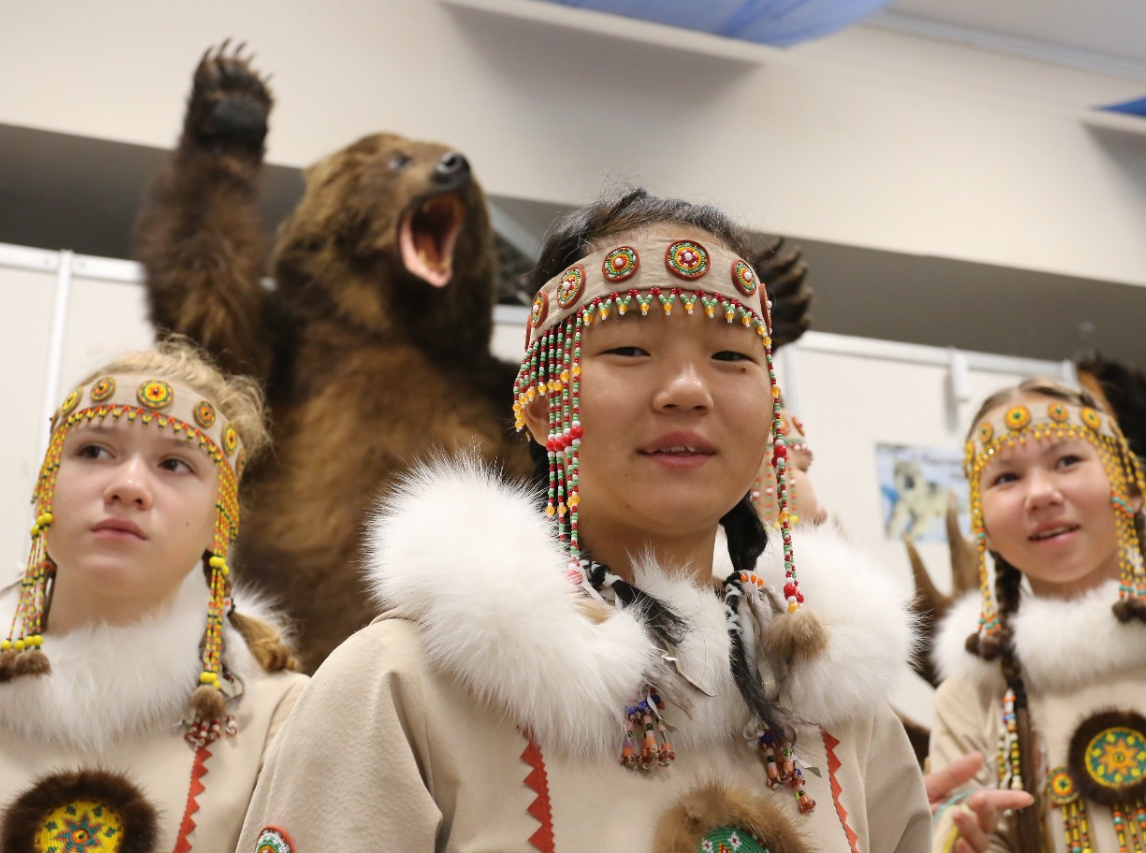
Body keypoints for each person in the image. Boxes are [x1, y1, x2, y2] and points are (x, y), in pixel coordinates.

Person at [239, 189, 930, 852]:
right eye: (630, 350)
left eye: (730, 356)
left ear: (772, 412)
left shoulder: (838, 703)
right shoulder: (403, 683)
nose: (688, 388)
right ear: (542, 405)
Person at [0, 341, 308, 852]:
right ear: (47, 487)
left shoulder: (281, 718)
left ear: (221, 521)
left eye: (174, 464)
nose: (128, 486)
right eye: (94, 451)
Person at [928, 377, 1146, 852]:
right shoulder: (974, 693)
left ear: (1131, 488)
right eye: (1006, 478)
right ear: (983, 526)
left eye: (1067, 461)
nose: (1040, 494)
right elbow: (970, 829)